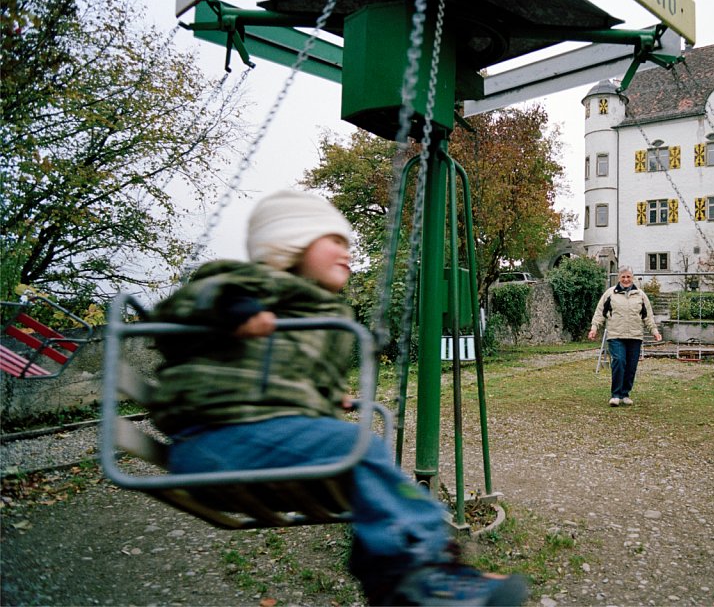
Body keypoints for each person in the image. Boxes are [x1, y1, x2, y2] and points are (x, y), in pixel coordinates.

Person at [146, 190, 527, 606]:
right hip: (215, 442)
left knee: (384, 475)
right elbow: (177, 310)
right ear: (291, 242)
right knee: (356, 447)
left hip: (257, 441)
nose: (347, 251)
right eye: (334, 240)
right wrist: (231, 308)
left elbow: (289, 378)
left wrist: (330, 396)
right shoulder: (245, 284)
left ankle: (428, 569)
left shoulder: (317, 315)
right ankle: (413, 576)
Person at [587, 267, 662, 407]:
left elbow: (648, 316)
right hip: (616, 335)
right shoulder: (610, 294)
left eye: (628, 277)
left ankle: (625, 393)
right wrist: (594, 328)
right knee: (619, 362)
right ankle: (615, 395)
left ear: (632, 278)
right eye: (623, 277)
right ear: (619, 278)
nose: (626, 280)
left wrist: (655, 331)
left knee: (631, 366)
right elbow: (599, 312)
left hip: (635, 336)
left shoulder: (640, 295)